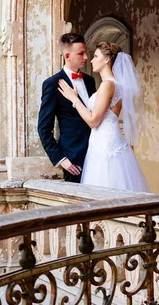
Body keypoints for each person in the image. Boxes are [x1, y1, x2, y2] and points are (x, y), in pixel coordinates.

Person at [57, 42, 150, 193]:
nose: (91, 60)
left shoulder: (108, 85)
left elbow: (93, 121)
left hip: (105, 146)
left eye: (95, 56)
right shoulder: (113, 84)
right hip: (102, 141)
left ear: (106, 59)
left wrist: (74, 99)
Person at [37, 33, 96, 182]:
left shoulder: (90, 81)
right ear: (67, 55)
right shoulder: (52, 84)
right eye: (81, 53)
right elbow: (43, 128)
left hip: (97, 153)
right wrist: (62, 160)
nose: (86, 57)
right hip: (74, 158)